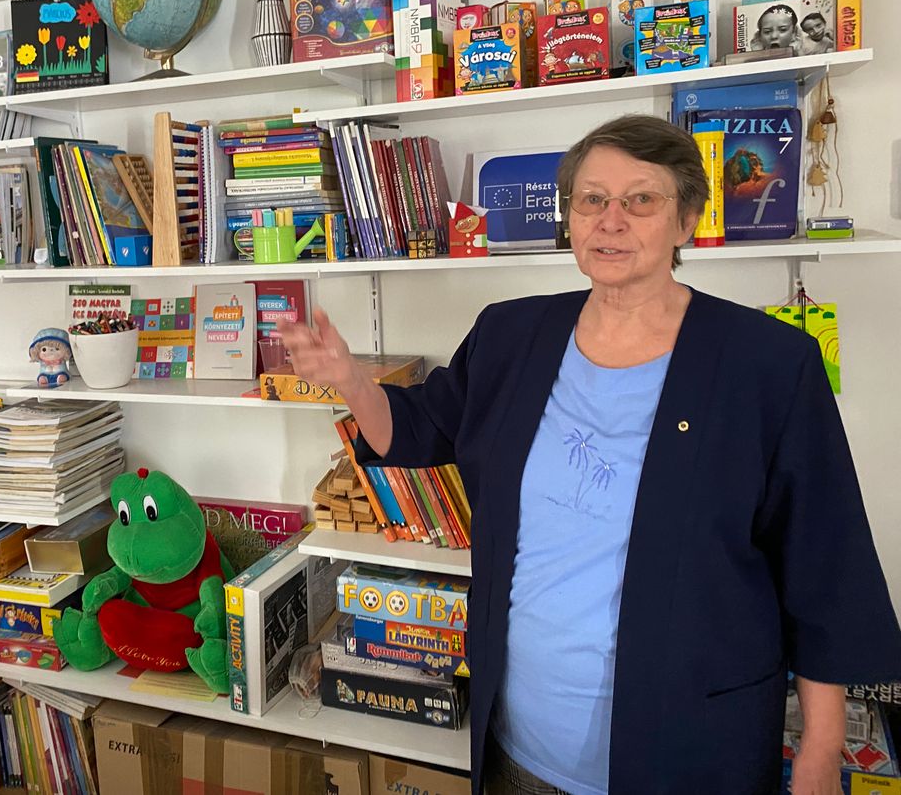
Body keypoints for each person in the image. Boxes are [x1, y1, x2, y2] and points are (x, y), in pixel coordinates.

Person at [278, 115, 901, 795]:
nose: (612, 220)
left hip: (691, 755)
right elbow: (416, 429)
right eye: (592, 199)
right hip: (519, 751)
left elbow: (824, 563)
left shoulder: (768, 363)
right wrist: (350, 379)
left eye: (642, 200)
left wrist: (821, 748)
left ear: (686, 220)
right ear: (570, 218)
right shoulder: (511, 334)